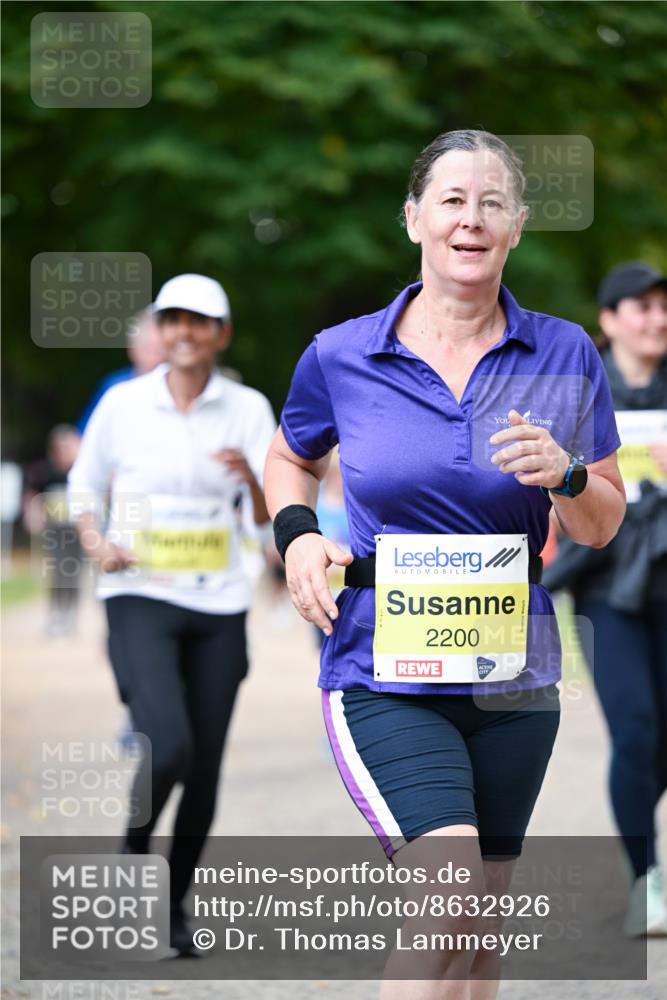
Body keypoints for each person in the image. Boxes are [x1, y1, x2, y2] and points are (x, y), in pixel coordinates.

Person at [264, 130, 626, 998]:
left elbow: (602, 521)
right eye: (454, 200)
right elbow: (288, 458)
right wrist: (299, 533)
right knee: (447, 896)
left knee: (479, 931)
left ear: (517, 226)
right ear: (414, 217)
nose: (472, 218)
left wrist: (566, 472)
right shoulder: (343, 354)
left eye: (491, 202)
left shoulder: (566, 352)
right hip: (381, 668)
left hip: (512, 678)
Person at [68, 273, 276, 955]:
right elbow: (83, 482)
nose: (184, 332)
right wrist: (96, 541)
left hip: (218, 600)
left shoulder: (246, 408)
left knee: (206, 765)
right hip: (139, 592)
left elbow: (271, 518)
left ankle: (174, 905)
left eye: (199, 321)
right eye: (173, 320)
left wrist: (249, 476)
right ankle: (133, 850)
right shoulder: (125, 404)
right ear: (160, 330)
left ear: (221, 333)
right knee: (169, 740)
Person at [544, 261, 667, 936]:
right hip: (604, 587)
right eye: (639, 307)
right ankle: (644, 881)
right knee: (635, 730)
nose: (654, 318)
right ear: (609, 320)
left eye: (661, 306)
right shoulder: (580, 391)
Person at [24, 424, 82, 635]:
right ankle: (57, 614)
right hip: (55, 531)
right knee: (57, 571)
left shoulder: (79, 471)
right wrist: (33, 515)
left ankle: (71, 615)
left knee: (73, 572)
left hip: (76, 531)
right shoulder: (46, 470)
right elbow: (33, 495)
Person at [76, 309, 166, 432]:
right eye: (147, 346)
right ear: (130, 348)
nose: (153, 355)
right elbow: (85, 433)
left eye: (157, 348)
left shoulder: (177, 388)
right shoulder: (114, 385)